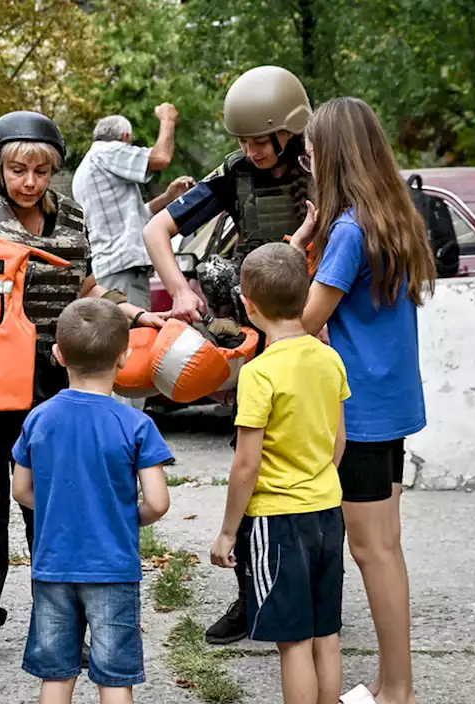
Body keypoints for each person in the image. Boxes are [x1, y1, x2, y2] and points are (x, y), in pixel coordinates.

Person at [0, 111, 162, 669]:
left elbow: (87, 286)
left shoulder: (72, 216)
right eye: (17, 169)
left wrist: (131, 314)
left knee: (50, 501)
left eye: (41, 170)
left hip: (51, 383)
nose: (29, 181)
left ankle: (56, 617)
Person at [142, 65, 314, 645]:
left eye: (261, 140)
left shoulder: (321, 175)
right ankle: (251, 592)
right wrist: (183, 290)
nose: (251, 150)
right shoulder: (234, 175)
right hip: (255, 338)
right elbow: (156, 231)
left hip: (316, 337)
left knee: (312, 468)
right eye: (243, 140)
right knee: (252, 467)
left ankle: (311, 590)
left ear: (289, 131)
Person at [291, 97, 434, 704]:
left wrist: (298, 244)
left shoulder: (347, 231)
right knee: (386, 547)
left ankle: (399, 698)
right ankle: (389, 685)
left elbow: (302, 319)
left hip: (363, 416)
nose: (306, 159)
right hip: (393, 406)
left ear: (337, 156)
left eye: (313, 150)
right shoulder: (392, 217)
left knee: (372, 550)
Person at [12, 298, 173, 704]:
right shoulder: (133, 424)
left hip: (54, 567)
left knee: (56, 676)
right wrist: (124, 517)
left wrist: (64, 505)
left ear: (57, 355)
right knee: (114, 683)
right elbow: (157, 501)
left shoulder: (39, 418)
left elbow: (23, 490)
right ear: (125, 358)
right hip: (112, 568)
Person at [209, 242, 348, 704]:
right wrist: (318, 480)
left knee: (293, 643)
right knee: (326, 637)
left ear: (248, 305)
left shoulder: (259, 374)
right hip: (326, 511)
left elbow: (246, 464)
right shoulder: (328, 357)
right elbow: (338, 441)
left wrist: (226, 530)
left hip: (278, 519)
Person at [72, 107, 195, 309]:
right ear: (126, 137)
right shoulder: (107, 152)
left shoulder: (87, 167)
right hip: (123, 268)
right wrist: (168, 120)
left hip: (110, 267)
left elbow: (140, 215)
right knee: (135, 335)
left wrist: (168, 196)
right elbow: (161, 157)